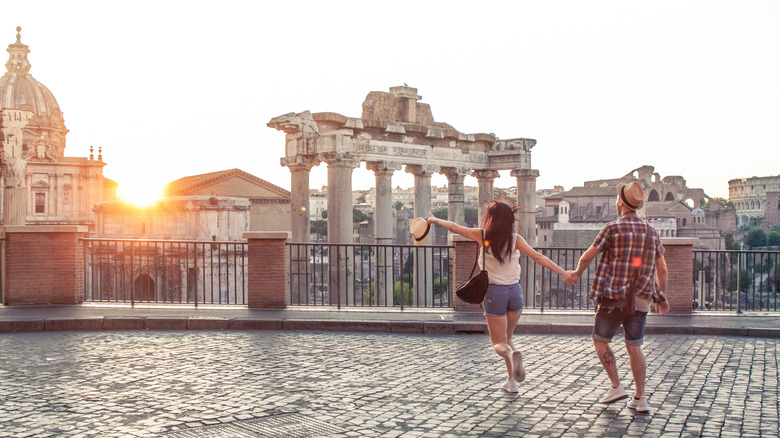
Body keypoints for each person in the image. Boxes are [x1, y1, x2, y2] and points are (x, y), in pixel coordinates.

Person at [427, 201, 573, 393]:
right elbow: (538, 257)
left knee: (499, 343)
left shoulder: (483, 235)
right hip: (515, 292)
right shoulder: (516, 239)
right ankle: (511, 382)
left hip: (495, 293)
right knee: (508, 337)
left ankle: (511, 355)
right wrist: (563, 272)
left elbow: (455, 228)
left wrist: (434, 219)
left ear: (491, 219)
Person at [566, 181, 670, 414]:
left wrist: (576, 273)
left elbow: (587, 256)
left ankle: (616, 385)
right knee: (635, 347)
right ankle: (640, 398)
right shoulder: (651, 232)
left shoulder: (612, 228)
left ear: (621, 203)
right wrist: (660, 297)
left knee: (600, 340)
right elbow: (661, 269)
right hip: (641, 298)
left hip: (614, 297)